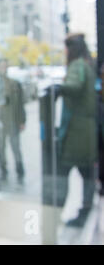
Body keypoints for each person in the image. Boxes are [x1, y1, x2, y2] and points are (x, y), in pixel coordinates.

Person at [55, 33, 96, 227]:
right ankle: (84, 211)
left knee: (64, 173)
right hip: (85, 131)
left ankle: (55, 215)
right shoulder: (86, 64)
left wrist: (59, 88)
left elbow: (73, 85)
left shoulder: (77, 65)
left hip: (76, 133)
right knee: (86, 173)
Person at [0, 59, 26, 183]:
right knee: (1, 148)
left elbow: (20, 104)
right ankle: (3, 169)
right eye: (2, 66)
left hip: (12, 121)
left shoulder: (14, 84)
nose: (4, 69)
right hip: (0, 122)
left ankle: (20, 169)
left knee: (15, 147)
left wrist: (22, 120)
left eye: (5, 66)